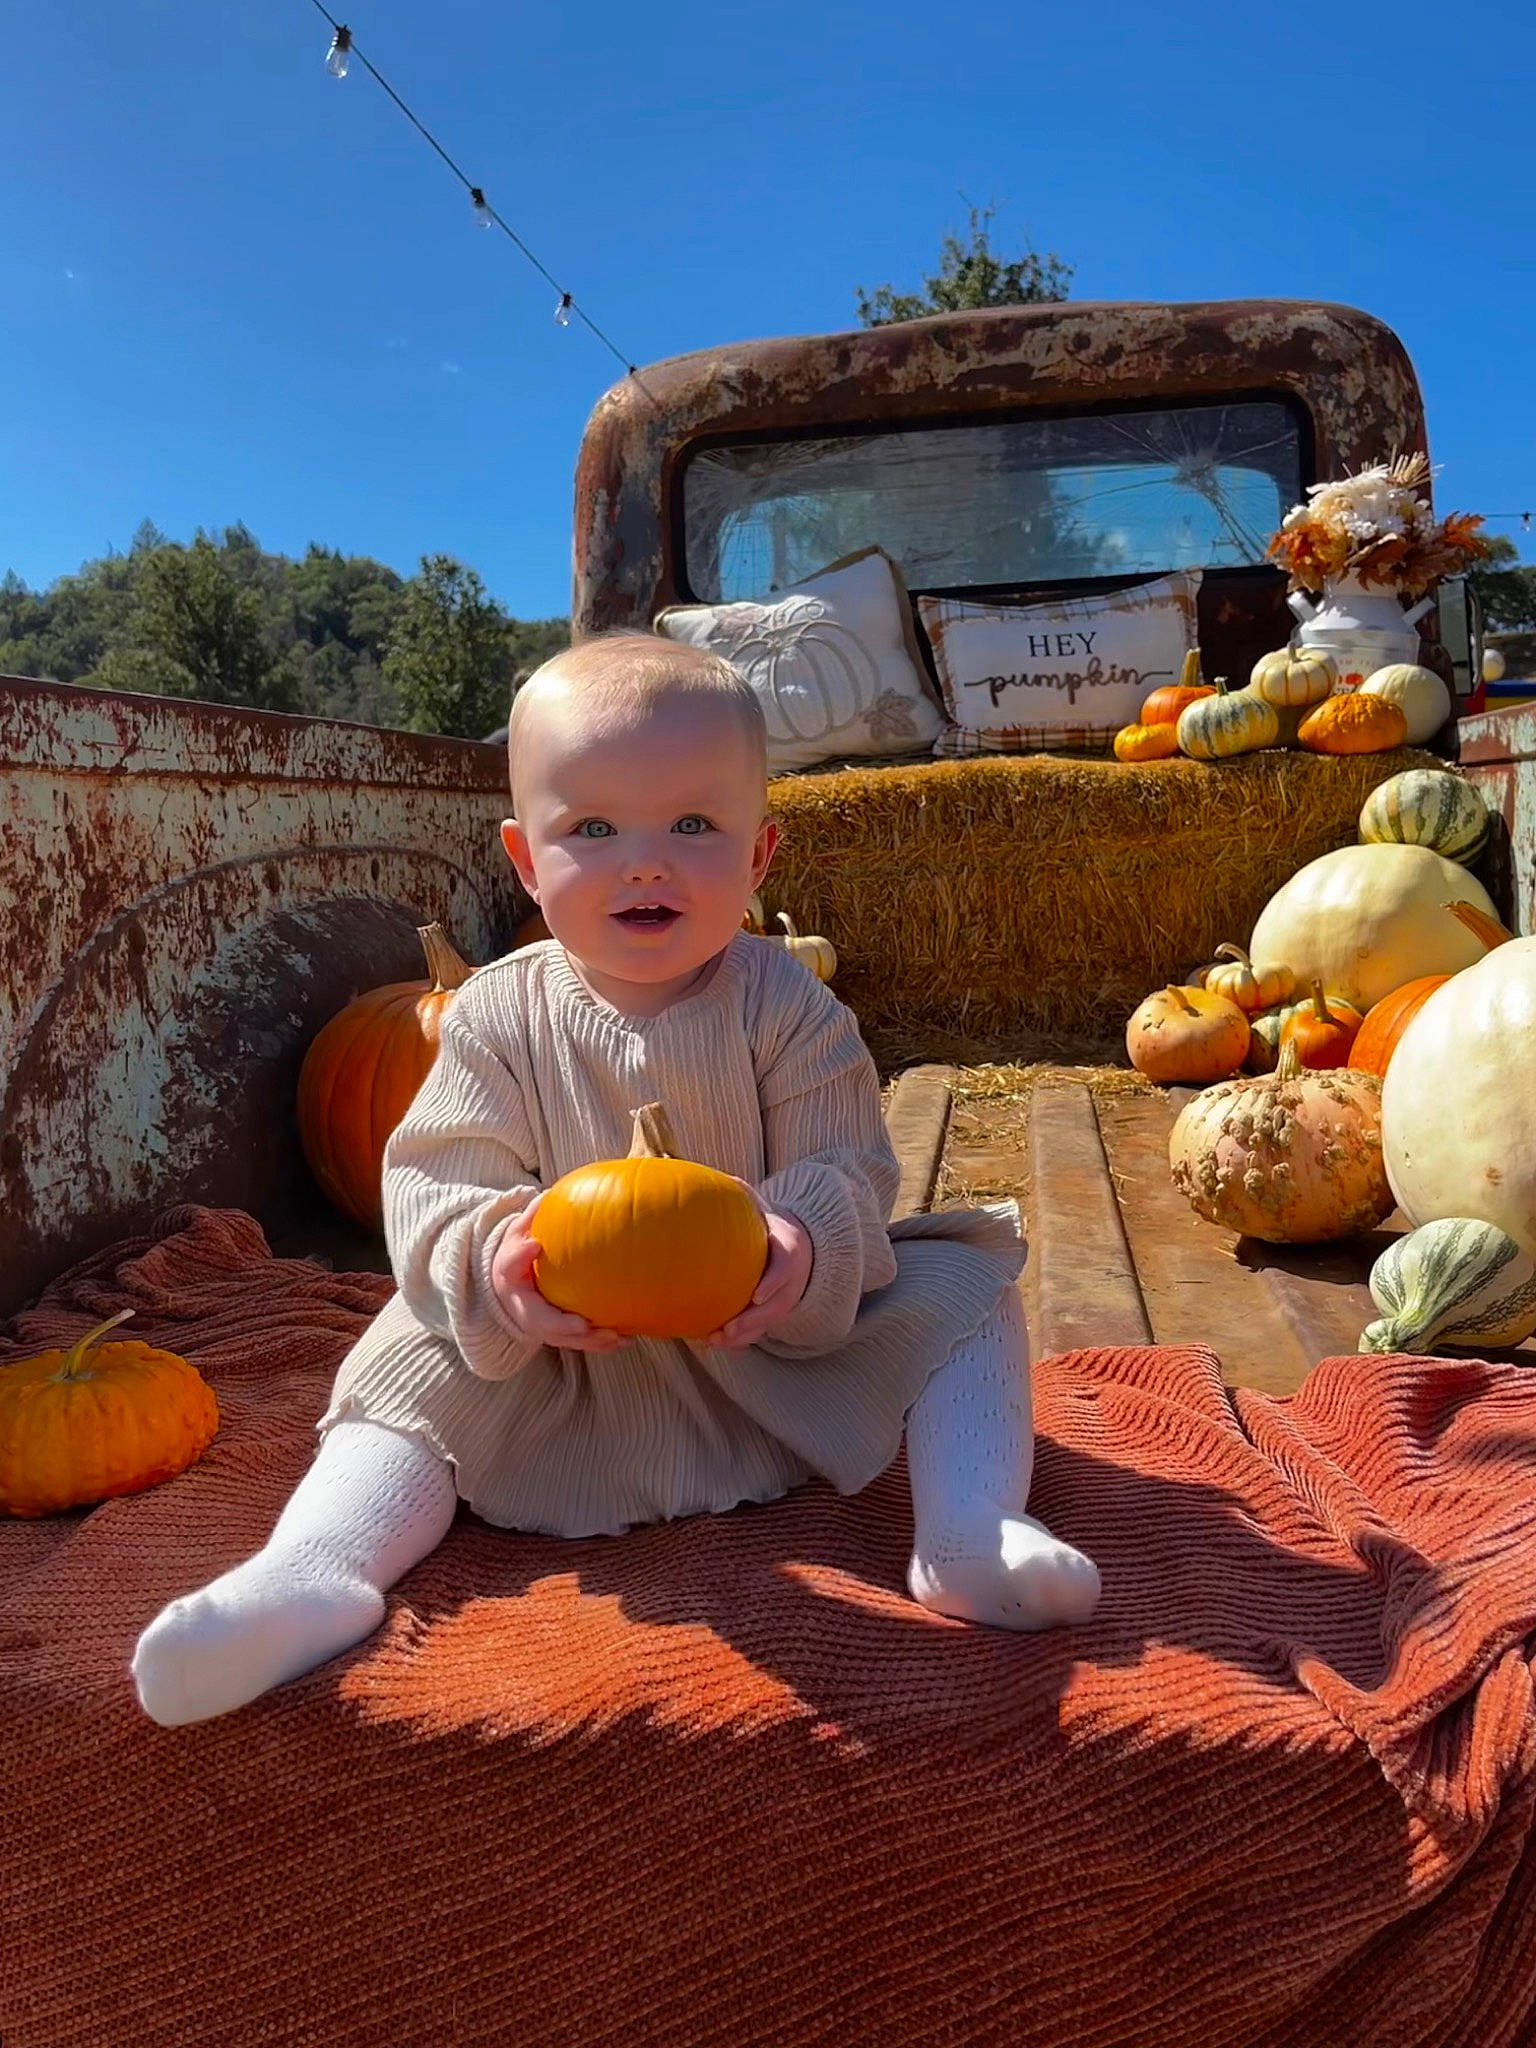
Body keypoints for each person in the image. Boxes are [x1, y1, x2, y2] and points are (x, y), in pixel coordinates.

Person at [132, 634, 1100, 1727]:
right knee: (404, 1354)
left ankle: (968, 1533)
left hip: (766, 1351)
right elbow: (436, 1176)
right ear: (525, 859)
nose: (646, 862)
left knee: (969, 1281)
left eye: (693, 825)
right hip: (557, 1367)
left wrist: (802, 1241)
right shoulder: (493, 1015)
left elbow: (849, 1163)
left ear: (760, 854)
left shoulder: (787, 1004)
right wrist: (493, 1265)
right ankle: (313, 1569)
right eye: (593, 828)